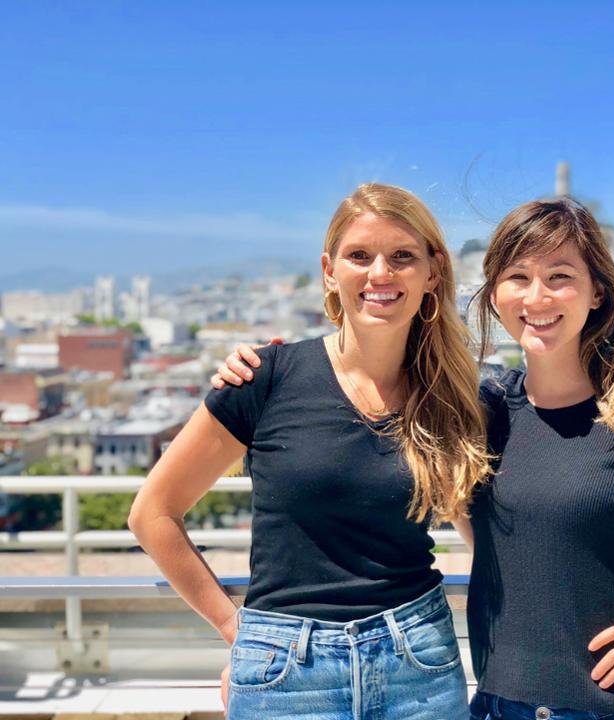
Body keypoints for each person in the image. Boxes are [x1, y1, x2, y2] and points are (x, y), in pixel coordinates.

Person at [217, 196, 614, 720]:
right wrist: (271, 368)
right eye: (518, 277)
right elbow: (369, 391)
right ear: (495, 295)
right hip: (498, 705)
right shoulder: (479, 406)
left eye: (561, 276)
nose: (538, 297)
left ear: (597, 293)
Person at [129, 183, 495, 720]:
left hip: (418, 660)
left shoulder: (452, 396)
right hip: (285, 673)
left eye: (402, 257)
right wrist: (242, 635)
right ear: (329, 270)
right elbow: (152, 514)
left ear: (432, 272)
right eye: (359, 256)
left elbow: (493, 537)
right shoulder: (264, 378)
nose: (380, 273)